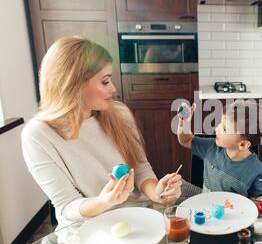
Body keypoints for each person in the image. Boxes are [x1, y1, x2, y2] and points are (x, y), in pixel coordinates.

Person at [21, 36, 182, 230]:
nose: (113, 88)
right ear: (73, 85)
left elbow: (140, 168)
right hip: (87, 227)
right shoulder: (38, 135)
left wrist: (157, 192)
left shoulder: (119, 113)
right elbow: (66, 206)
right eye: (105, 82)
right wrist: (105, 202)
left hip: (140, 214)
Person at [177, 100, 262, 202]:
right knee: (177, 185)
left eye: (224, 129)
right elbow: (186, 140)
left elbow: (256, 205)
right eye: (220, 123)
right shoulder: (212, 147)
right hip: (206, 201)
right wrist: (184, 123)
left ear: (243, 144)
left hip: (231, 215)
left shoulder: (255, 170)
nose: (216, 129)